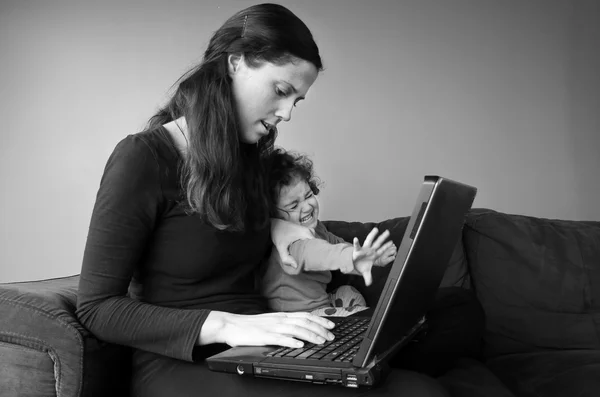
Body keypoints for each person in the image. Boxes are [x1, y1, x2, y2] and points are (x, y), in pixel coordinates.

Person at [76, 3, 480, 396]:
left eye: (296, 100)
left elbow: (281, 237)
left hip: (266, 341)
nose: (286, 113)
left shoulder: (251, 162)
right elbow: (97, 308)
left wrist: (333, 258)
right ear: (235, 62)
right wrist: (227, 325)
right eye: (281, 90)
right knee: (420, 391)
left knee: (453, 314)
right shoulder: (142, 158)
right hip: (185, 361)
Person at [260, 148, 397, 317]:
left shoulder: (316, 228)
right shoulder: (290, 244)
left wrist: (368, 255)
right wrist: (351, 259)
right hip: (298, 316)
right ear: (274, 215)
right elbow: (323, 254)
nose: (307, 206)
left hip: (320, 305)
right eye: (294, 206)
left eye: (308, 195)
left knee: (347, 292)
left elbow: (336, 244)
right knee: (363, 317)